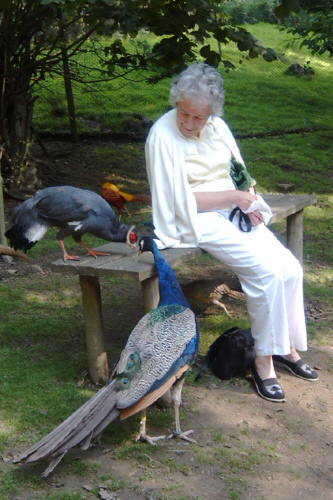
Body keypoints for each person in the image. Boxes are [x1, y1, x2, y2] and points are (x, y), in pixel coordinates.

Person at [145, 62, 318, 403]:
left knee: (290, 269)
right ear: (176, 103)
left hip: (233, 208)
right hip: (194, 218)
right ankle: (263, 361)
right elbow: (176, 201)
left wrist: (250, 202)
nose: (191, 124)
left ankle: (286, 348)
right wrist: (233, 198)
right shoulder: (161, 136)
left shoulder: (218, 127)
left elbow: (239, 172)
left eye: (199, 117)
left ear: (211, 112)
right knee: (265, 272)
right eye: (185, 114)